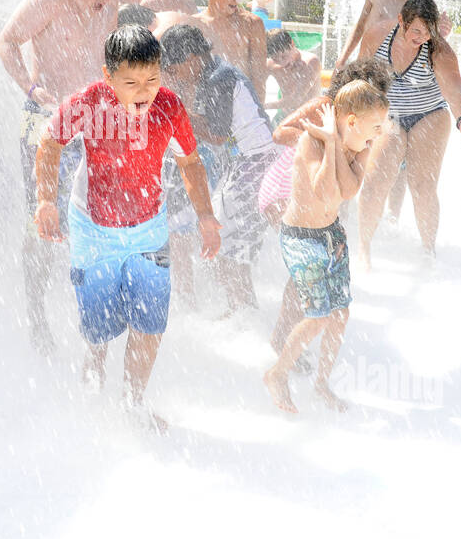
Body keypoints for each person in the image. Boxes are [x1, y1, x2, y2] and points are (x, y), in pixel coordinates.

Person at [35, 25, 220, 431]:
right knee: (99, 327)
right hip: (93, 227)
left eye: (152, 80)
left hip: (148, 229)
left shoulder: (168, 107)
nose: (143, 92)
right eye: (131, 82)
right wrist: (46, 199)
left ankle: (133, 404)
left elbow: (190, 162)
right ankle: (93, 366)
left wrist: (206, 215)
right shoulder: (88, 102)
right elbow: (50, 143)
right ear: (108, 76)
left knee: (149, 322)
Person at [0, 0, 122, 352]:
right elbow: (7, 42)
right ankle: (37, 319)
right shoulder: (46, 2)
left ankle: (91, 317)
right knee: (43, 220)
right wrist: (31, 87)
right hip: (45, 122)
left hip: (92, 123)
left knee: (95, 217)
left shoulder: (109, 6)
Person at [262, 76, 390, 414]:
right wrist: (330, 144)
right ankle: (277, 374)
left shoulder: (360, 146)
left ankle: (321, 384)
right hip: (301, 238)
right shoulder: (310, 141)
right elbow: (323, 191)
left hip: (331, 235)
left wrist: (336, 144)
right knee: (318, 316)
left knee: (340, 313)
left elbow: (347, 192)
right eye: (375, 126)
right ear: (351, 121)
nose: (379, 133)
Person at [160, 24, 281, 313]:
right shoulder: (216, 71)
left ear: (190, 58)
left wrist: (173, 112)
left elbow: (216, 133)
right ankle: (241, 311)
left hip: (254, 165)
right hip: (258, 164)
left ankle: (242, 315)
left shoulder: (217, 79)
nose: (173, 78)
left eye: (174, 71)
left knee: (222, 245)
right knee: (233, 249)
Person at [355, 0, 461, 267]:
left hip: (429, 115)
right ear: (401, 21)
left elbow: (454, 91)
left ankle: (428, 251)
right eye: (416, 31)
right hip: (390, 114)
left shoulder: (438, 49)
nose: (422, 37)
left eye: (427, 32)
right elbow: (358, 76)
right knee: (376, 181)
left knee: (423, 185)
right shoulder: (378, 35)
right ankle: (364, 249)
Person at [192, 0, 269, 94]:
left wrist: (257, 112)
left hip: (241, 105)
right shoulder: (195, 25)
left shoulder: (251, 24)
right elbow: (187, 78)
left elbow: (259, 78)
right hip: (205, 104)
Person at [265, 29, 322, 118]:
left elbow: (296, 99)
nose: (282, 62)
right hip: (284, 115)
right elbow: (254, 84)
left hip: (310, 117)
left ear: (292, 44)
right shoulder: (271, 64)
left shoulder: (310, 62)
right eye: (276, 58)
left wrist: (264, 106)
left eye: (284, 56)